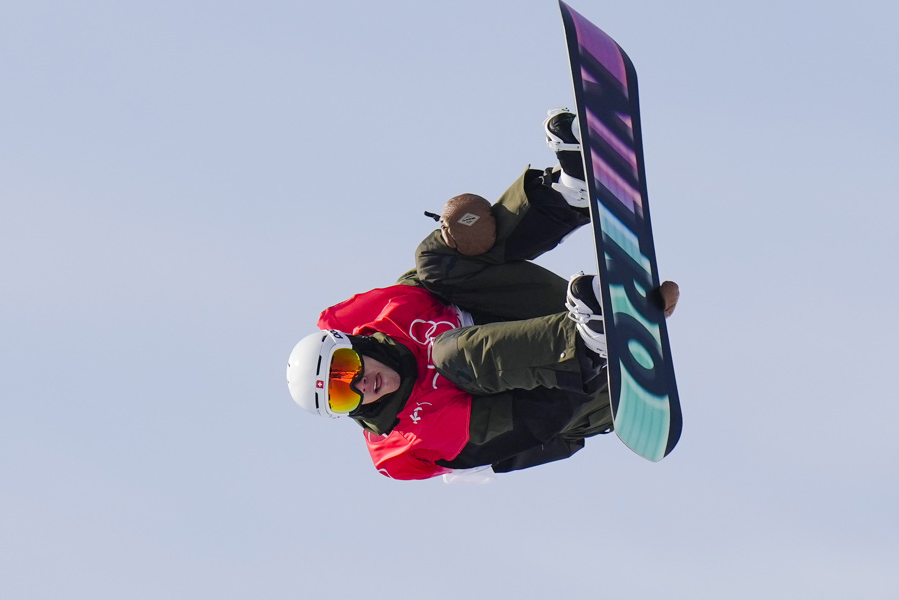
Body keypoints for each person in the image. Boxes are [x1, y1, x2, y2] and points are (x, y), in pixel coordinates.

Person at [286, 109, 678, 480]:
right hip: (574, 393)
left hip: (548, 318)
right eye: (341, 397)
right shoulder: (411, 438)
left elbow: (444, 270)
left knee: (433, 262)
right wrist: (592, 358)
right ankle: (588, 342)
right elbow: (534, 422)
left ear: (352, 342)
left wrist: (461, 234)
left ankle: (568, 193)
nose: (358, 386)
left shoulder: (376, 316)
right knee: (449, 354)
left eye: (343, 371)